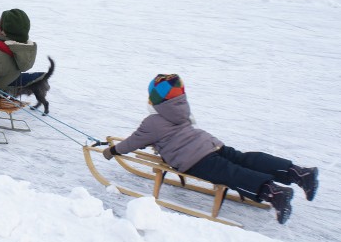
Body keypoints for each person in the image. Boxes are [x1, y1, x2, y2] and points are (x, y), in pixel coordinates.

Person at [102, 74, 319, 225]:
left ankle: (275, 193)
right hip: (211, 143)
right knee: (244, 159)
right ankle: (299, 173)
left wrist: (112, 151)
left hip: (195, 160)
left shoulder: (152, 122)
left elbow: (133, 142)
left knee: (232, 174)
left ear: (156, 100)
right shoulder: (182, 109)